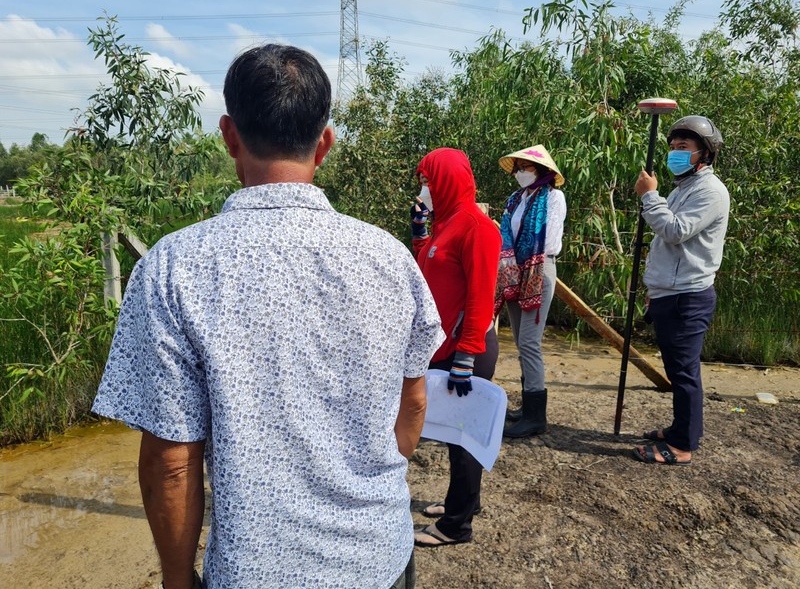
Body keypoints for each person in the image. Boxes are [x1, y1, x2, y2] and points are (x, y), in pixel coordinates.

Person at [92, 44, 445, 589]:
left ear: (229, 134)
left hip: (255, 573)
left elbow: (171, 462)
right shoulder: (390, 259)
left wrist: (178, 579)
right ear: (324, 143)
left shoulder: (174, 268)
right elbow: (414, 402)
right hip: (380, 560)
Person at [408, 148, 501, 548]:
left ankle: (456, 526)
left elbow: (481, 295)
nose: (424, 188)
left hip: (469, 347)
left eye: (429, 180)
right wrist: (420, 234)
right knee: (454, 433)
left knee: (465, 436)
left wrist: (466, 354)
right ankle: (462, 503)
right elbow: (431, 272)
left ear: (446, 180)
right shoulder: (446, 225)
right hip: (448, 343)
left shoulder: (477, 227)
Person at [632, 115, 729, 466]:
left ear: (704, 153)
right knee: (677, 369)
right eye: (673, 147)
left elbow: (674, 231)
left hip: (688, 296)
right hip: (669, 292)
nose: (675, 153)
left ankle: (683, 445)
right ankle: (678, 429)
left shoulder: (710, 192)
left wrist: (650, 196)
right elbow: (667, 244)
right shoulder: (683, 188)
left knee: (684, 372)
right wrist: (654, 287)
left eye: (683, 148)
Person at [494, 145, 567, 438]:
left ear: (542, 171)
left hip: (538, 269)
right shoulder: (515, 200)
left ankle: (537, 415)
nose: (519, 173)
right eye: (518, 168)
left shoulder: (553, 197)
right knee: (520, 341)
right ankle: (527, 405)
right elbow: (505, 234)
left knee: (529, 342)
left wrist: (526, 264)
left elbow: (547, 240)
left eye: (526, 167)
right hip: (514, 270)